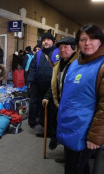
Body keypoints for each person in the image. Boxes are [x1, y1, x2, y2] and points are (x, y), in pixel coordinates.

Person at [57, 24, 104, 173]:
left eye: (92, 38)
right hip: (70, 126)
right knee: (79, 167)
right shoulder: (75, 64)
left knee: (74, 169)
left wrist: (95, 137)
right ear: (78, 43)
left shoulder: (102, 66)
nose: (87, 43)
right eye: (83, 39)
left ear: (101, 41)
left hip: (86, 132)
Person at [42, 36, 77, 163]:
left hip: (72, 105)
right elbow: (54, 84)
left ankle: (71, 157)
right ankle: (67, 154)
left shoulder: (78, 65)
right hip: (60, 103)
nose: (62, 50)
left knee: (71, 131)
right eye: (61, 48)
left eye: (66, 47)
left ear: (73, 49)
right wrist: (47, 96)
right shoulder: (58, 65)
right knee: (62, 128)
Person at [27, 32, 60, 150]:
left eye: (48, 40)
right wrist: (30, 82)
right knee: (42, 109)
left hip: (52, 88)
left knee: (52, 112)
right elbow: (32, 67)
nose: (46, 41)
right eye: (44, 40)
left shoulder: (58, 52)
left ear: (53, 42)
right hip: (39, 85)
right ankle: (46, 131)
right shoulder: (39, 53)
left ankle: (54, 136)